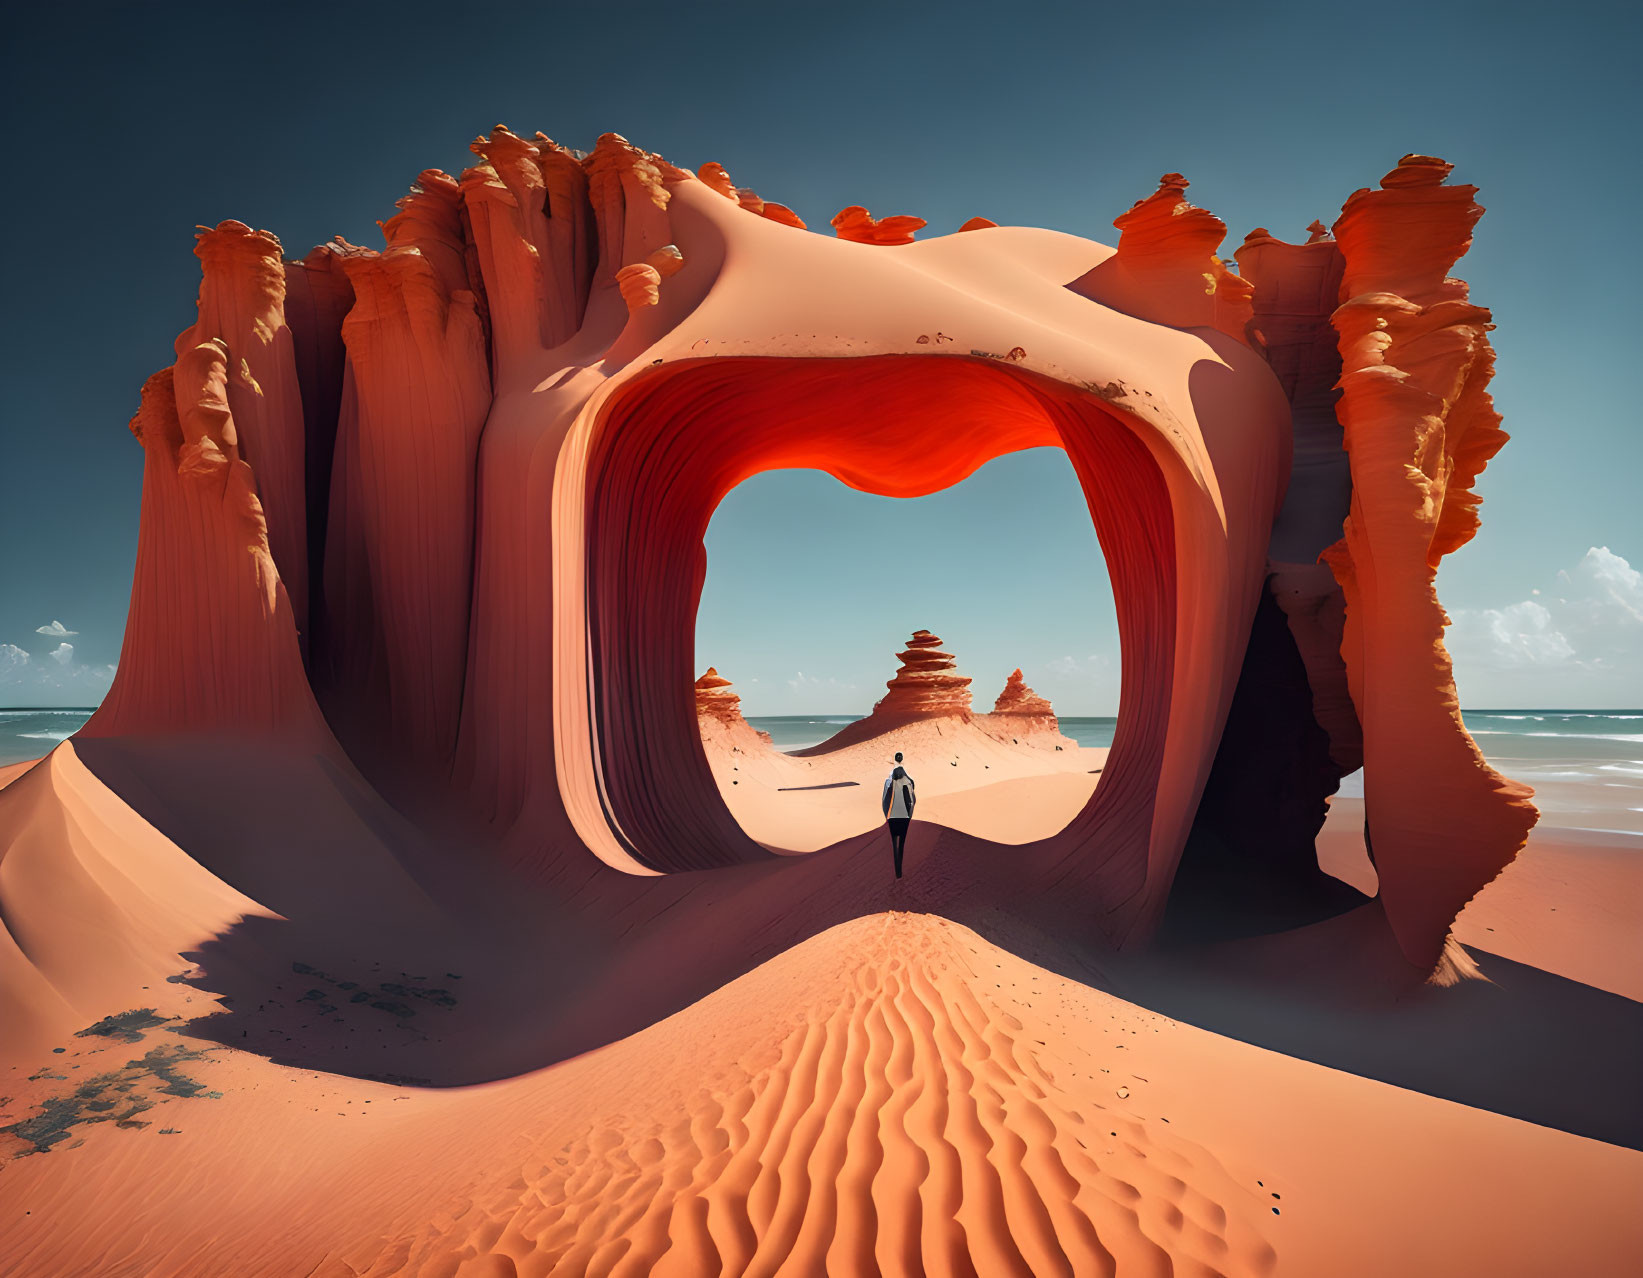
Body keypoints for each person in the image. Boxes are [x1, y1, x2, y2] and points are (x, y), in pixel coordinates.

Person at [881, 752, 916, 878]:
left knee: (894, 844)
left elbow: (884, 800)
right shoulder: (909, 780)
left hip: (892, 817)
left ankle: (897, 872)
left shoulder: (888, 781)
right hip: (904, 817)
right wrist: (909, 815)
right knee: (901, 844)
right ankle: (899, 873)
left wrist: (887, 815)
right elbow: (912, 800)